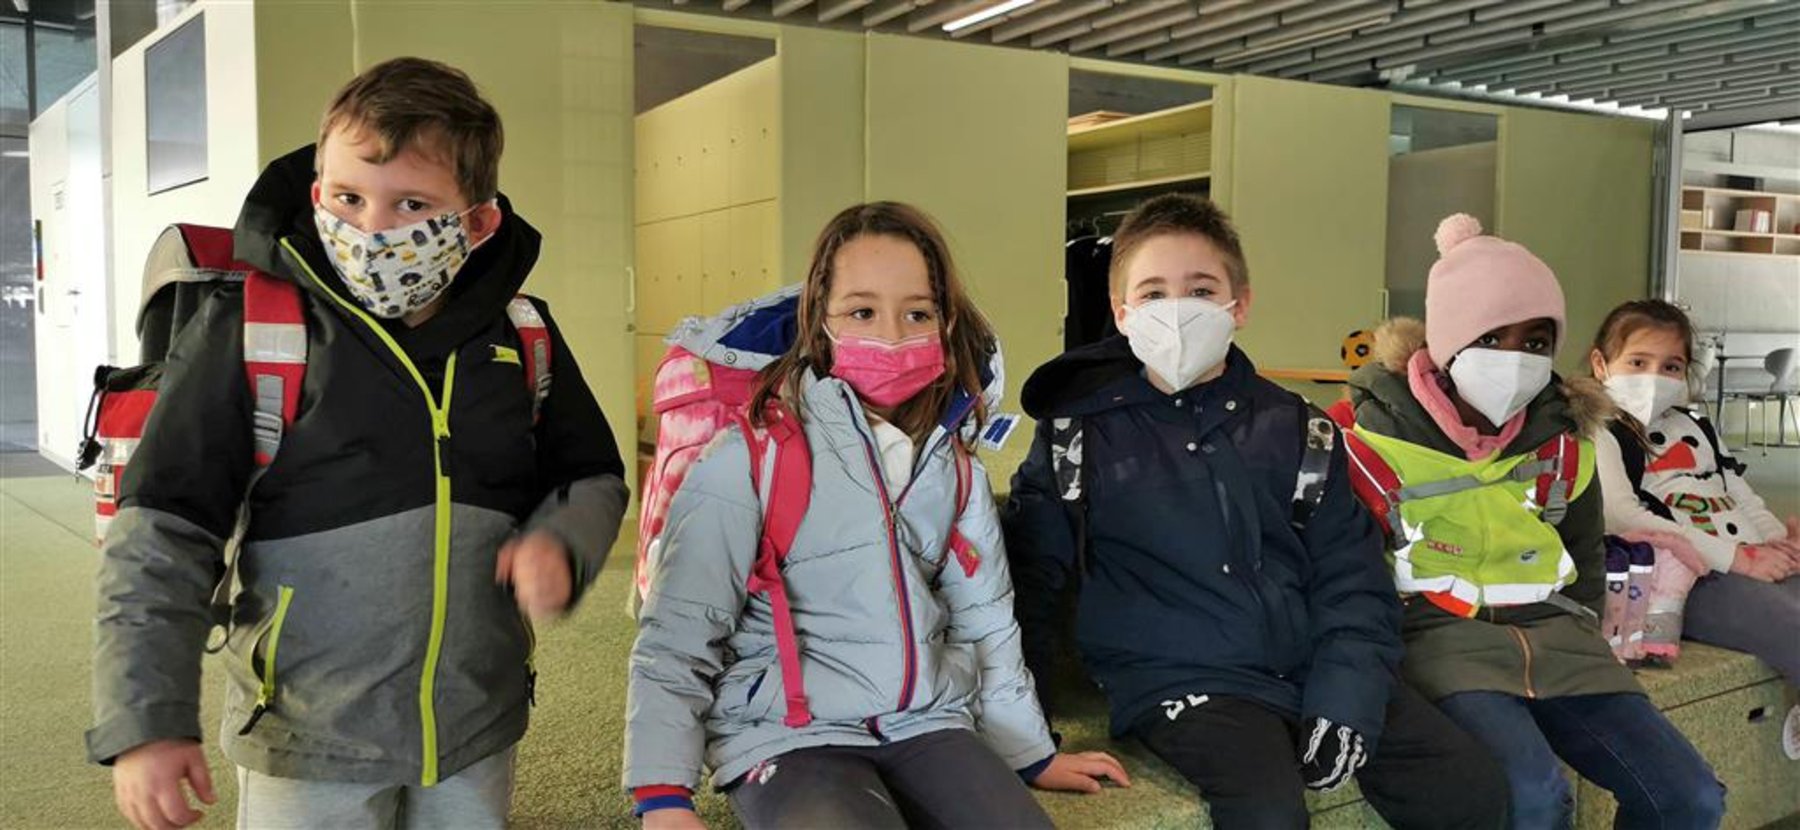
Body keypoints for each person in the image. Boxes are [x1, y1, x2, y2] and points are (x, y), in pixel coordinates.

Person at [89, 57, 629, 830]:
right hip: (306, 736)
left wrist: (563, 541)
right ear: (318, 194)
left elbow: (591, 473)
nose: (372, 228)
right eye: (348, 197)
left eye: (411, 203)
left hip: (475, 724)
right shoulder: (255, 329)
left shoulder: (523, 333)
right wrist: (146, 720)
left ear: (477, 223)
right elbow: (163, 528)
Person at [1004, 194, 1507, 829]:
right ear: (1122, 312)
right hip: (1177, 679)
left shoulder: (1298, 428)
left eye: (1201, 290)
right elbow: (1031, 580)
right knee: (1269, 811)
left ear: (1238, 305)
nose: (1177, 309)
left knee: (1469, 788)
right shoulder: (1076, 434)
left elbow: (1350, 573)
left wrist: (1347, 691)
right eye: (1153, 293)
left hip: (1303, 659)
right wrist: (1028, 736)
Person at [623, 202, 1128, 830]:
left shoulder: (954, 468)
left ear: (944, 324)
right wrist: (663, 796)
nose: (891, 335)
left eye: (917, 313)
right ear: (820, 321)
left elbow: (987, 621)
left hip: (926, 719)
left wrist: (1031, 753)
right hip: (787, 732)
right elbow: (679, 630)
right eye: (862, 312)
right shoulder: (748, 458)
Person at [1342, 214, 1725, 829]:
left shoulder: (1565, 442)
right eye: (1492, 338)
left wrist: (1582, 626)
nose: (1515, 359)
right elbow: (1348, 577)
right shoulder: (1371, 443)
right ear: (1450, 340)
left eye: (1536, 343)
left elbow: (1584, 553)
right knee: (1534, 797)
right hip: (1442, 643)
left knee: (1690, 796)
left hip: (1560, 641)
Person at [1588, 298, 1800, 680]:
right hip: (1688, 576)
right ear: (1601, 365)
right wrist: (1736, 559)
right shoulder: (1598, 430)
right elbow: (1621, 516)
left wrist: (1779, 544)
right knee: (1790, 626)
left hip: (1748, 555)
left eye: (1671, 367)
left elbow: (1741, 496)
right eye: (1638, 362)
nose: (1654, 377)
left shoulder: (1696, 427)